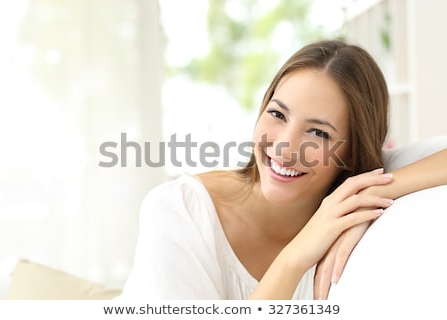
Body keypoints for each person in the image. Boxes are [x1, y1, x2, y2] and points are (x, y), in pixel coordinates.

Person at [118, 40, 447, 300]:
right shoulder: (178, 209)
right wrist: (294, 258)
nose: (285, 148)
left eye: (318, 133)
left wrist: (379, 189)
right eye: (278, 114)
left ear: (353, 151)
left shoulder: (358, 187)